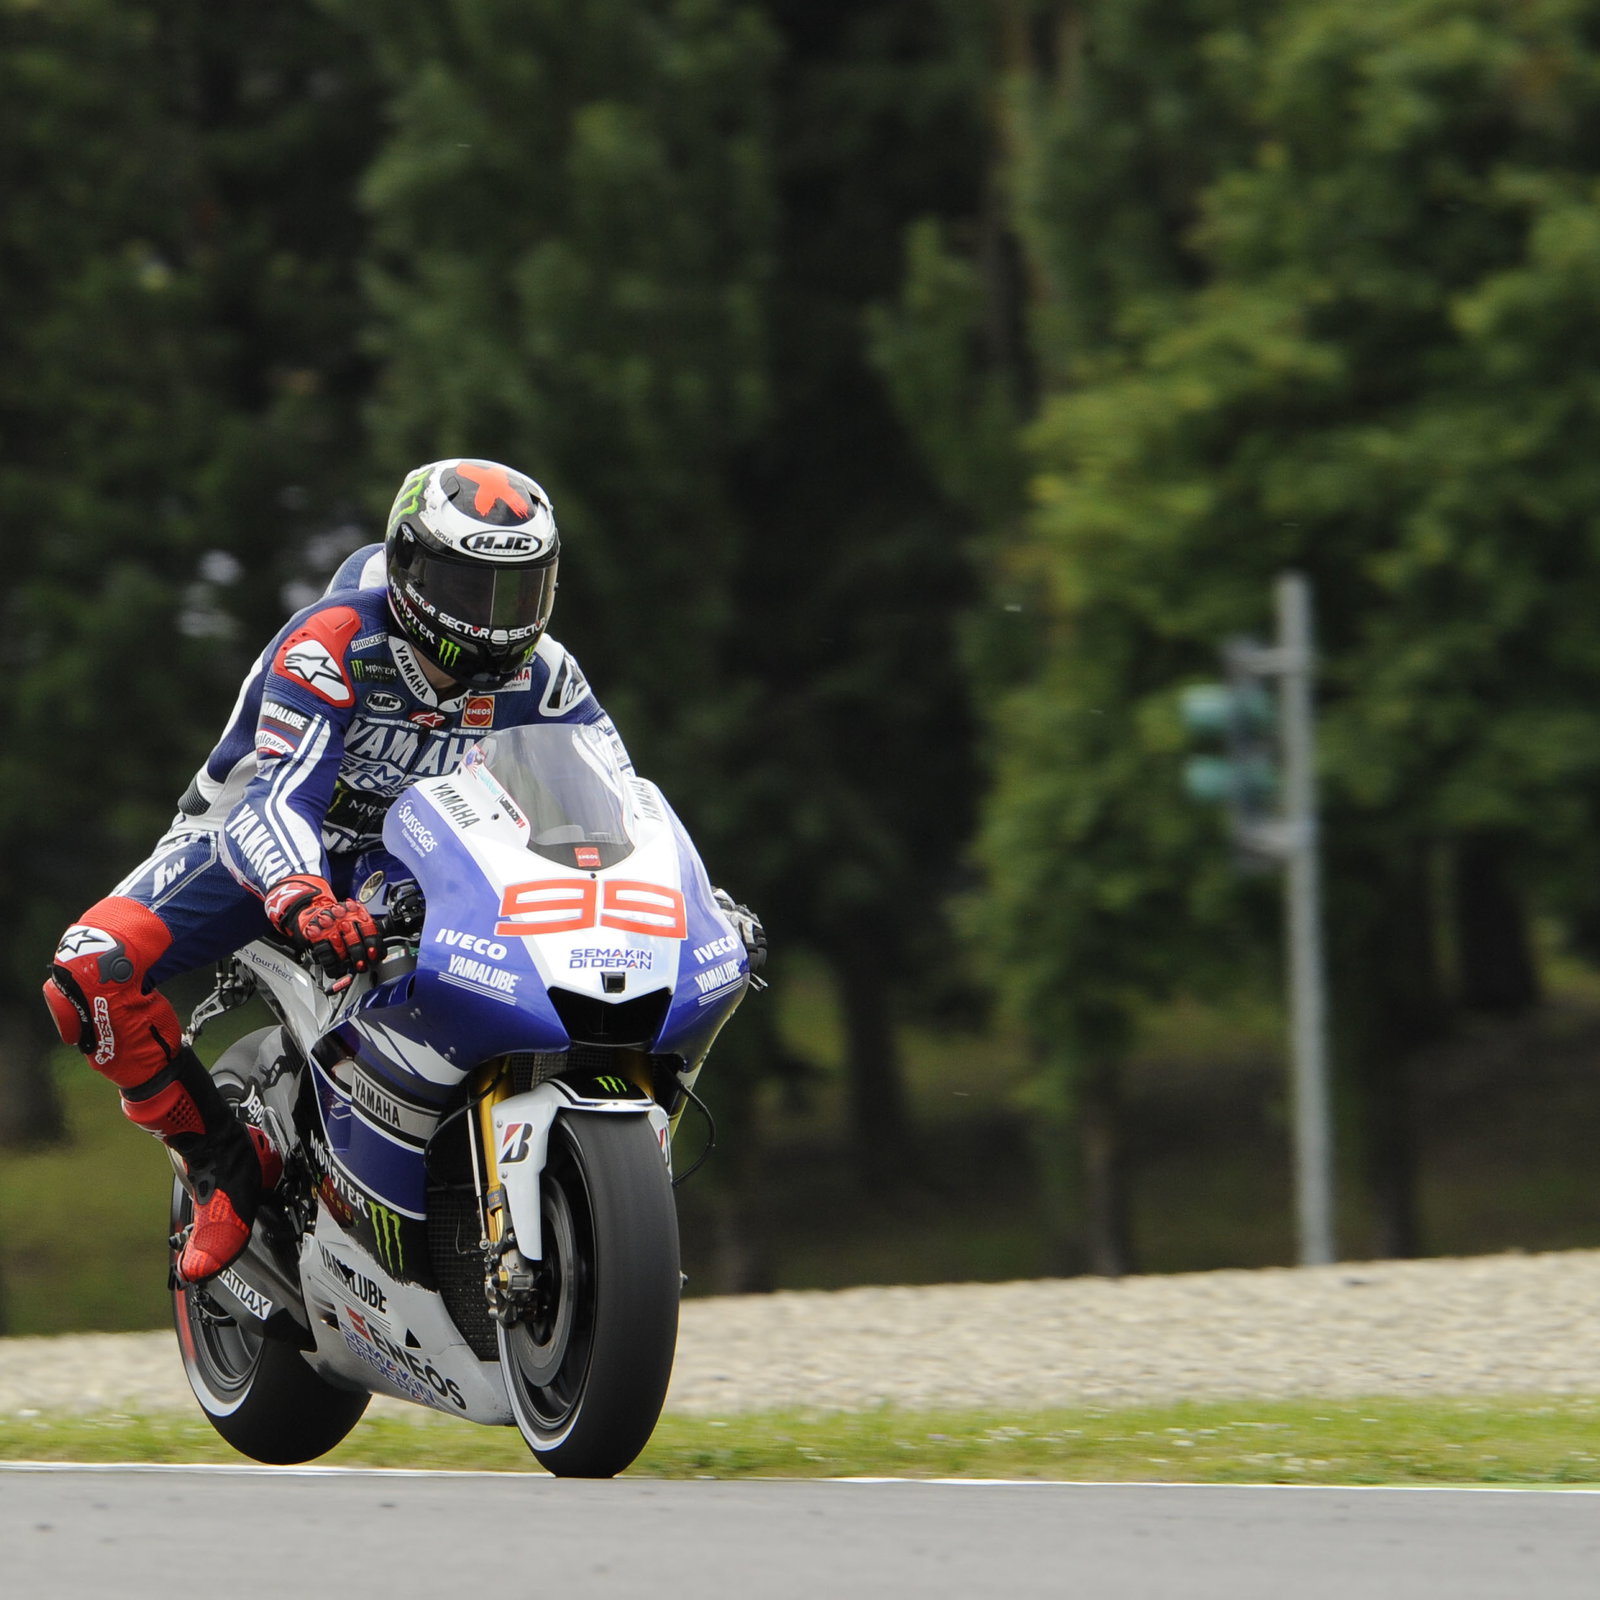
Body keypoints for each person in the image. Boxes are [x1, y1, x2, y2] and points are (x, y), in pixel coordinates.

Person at [43, 458, 760, 1286]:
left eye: (520, 591)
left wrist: (695, 906)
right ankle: (218, 1167)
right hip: (253, 846)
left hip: (412, 853)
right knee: (87, 972)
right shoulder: (334, 643)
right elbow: (277, 798)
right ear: (412, 569)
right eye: (472, 588)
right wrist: (302, 895)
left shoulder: (549, 675)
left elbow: (618, 810)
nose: (498, 621)